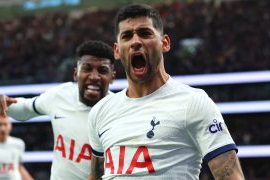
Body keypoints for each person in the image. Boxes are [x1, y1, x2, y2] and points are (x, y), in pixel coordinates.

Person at [88, 4, 245, 180]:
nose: (135, 42)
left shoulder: (193, 102)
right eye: (127, 36)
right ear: (117, 50)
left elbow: (230, 175)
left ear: (164, 43)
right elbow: (95, 175)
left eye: (145, 33)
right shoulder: (101, 111)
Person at [0, 40, 116, 180]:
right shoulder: (60, 95)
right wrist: (2, 105)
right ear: (75, 73)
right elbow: (25, 108)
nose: (94, 77)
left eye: (103, 70)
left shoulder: (119, 112)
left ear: (112, 77)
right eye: (87, 68)